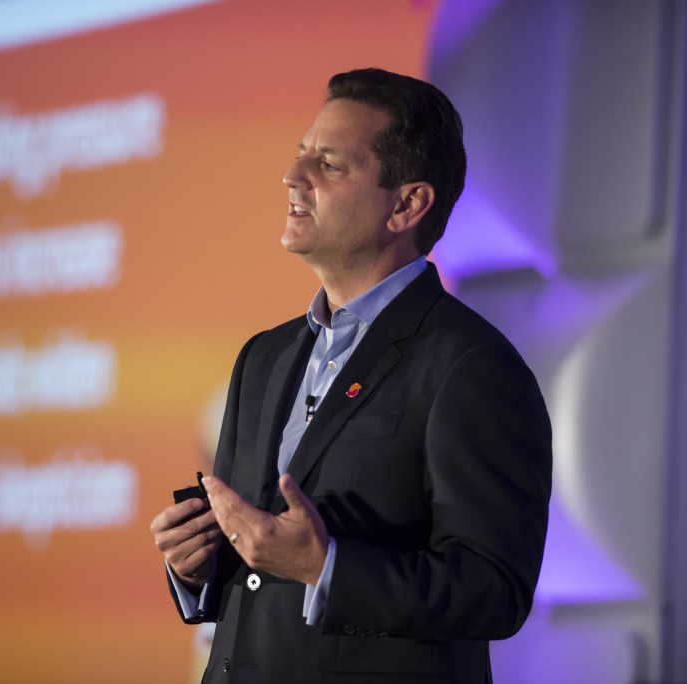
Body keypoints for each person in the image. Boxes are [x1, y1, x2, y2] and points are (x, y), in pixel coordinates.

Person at [149, 68, 552, 683]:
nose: (293, 177)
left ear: (407, 204)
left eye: (329, 165)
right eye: (300, 155)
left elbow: (494, 590)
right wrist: (198, 568)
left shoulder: (470, 364)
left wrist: (326, 567)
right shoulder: (263, 357)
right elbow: (256, 563)